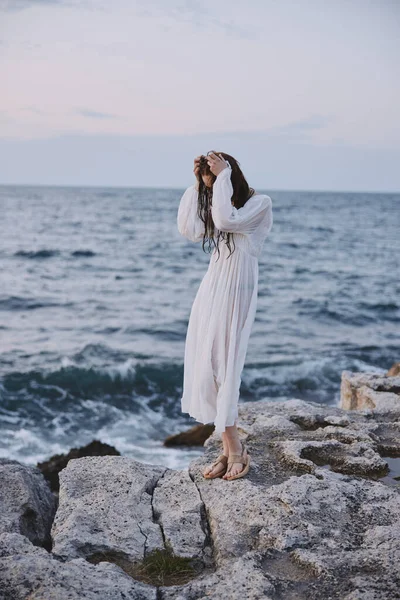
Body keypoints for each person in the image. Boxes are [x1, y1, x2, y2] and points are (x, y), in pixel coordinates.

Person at [177, 151, 273, 481]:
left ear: (231, 174)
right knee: (207, 364)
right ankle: (229, 446)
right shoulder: (217, 200)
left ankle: (234, 448)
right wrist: (199, 185)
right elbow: (191, 229)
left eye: (216, 177)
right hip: (213, 286)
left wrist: (222, 176)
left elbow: (227, 222)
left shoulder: (259, 204)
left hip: (238, 288)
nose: (212, 182)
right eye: (209, 178)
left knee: (223, 363)